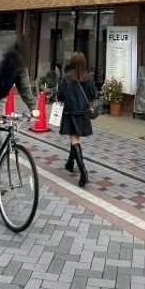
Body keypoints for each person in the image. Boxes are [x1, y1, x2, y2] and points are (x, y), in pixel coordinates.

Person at [58, 52, 96, 188]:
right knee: (75, 138)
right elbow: (93, 94)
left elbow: (60, 96)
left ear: (72, 63)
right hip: (83, 113)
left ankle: (83, 171)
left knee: (74, 139)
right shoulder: (89, 77)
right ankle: (70, 163)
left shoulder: (66, 79)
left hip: (71, 113)